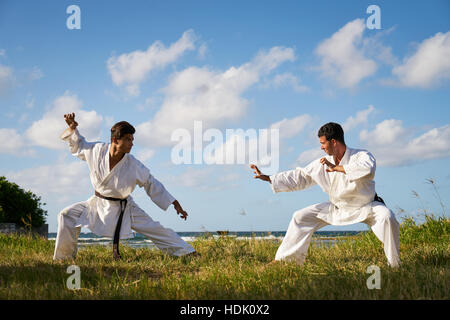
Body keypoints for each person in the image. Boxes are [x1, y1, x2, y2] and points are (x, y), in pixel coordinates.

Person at [251, 122, 400, 267]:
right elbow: (300, 177)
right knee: (300, 217)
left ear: (333, 141)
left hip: (367, 206)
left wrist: (337, 168)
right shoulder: (322, 163)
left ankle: (394, 265)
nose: (321, 147)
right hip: (338, 207)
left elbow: (368, 170)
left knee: (387, 217)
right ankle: (286, 262)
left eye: (323, 143)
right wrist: (269, 178)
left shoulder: (361, 155)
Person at [53, 113, 198, 260]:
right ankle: (63, 258)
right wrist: (72, 128)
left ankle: (188, 252)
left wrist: (174, 203)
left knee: (155, 228)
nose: (132, 143)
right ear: (115, 140)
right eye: (128, 139)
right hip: (97, 204)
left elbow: (151, 183)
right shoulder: (97, 150)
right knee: (66, 215)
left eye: (132, 140)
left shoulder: (133, 164)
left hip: (125, 207)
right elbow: (79, 145)